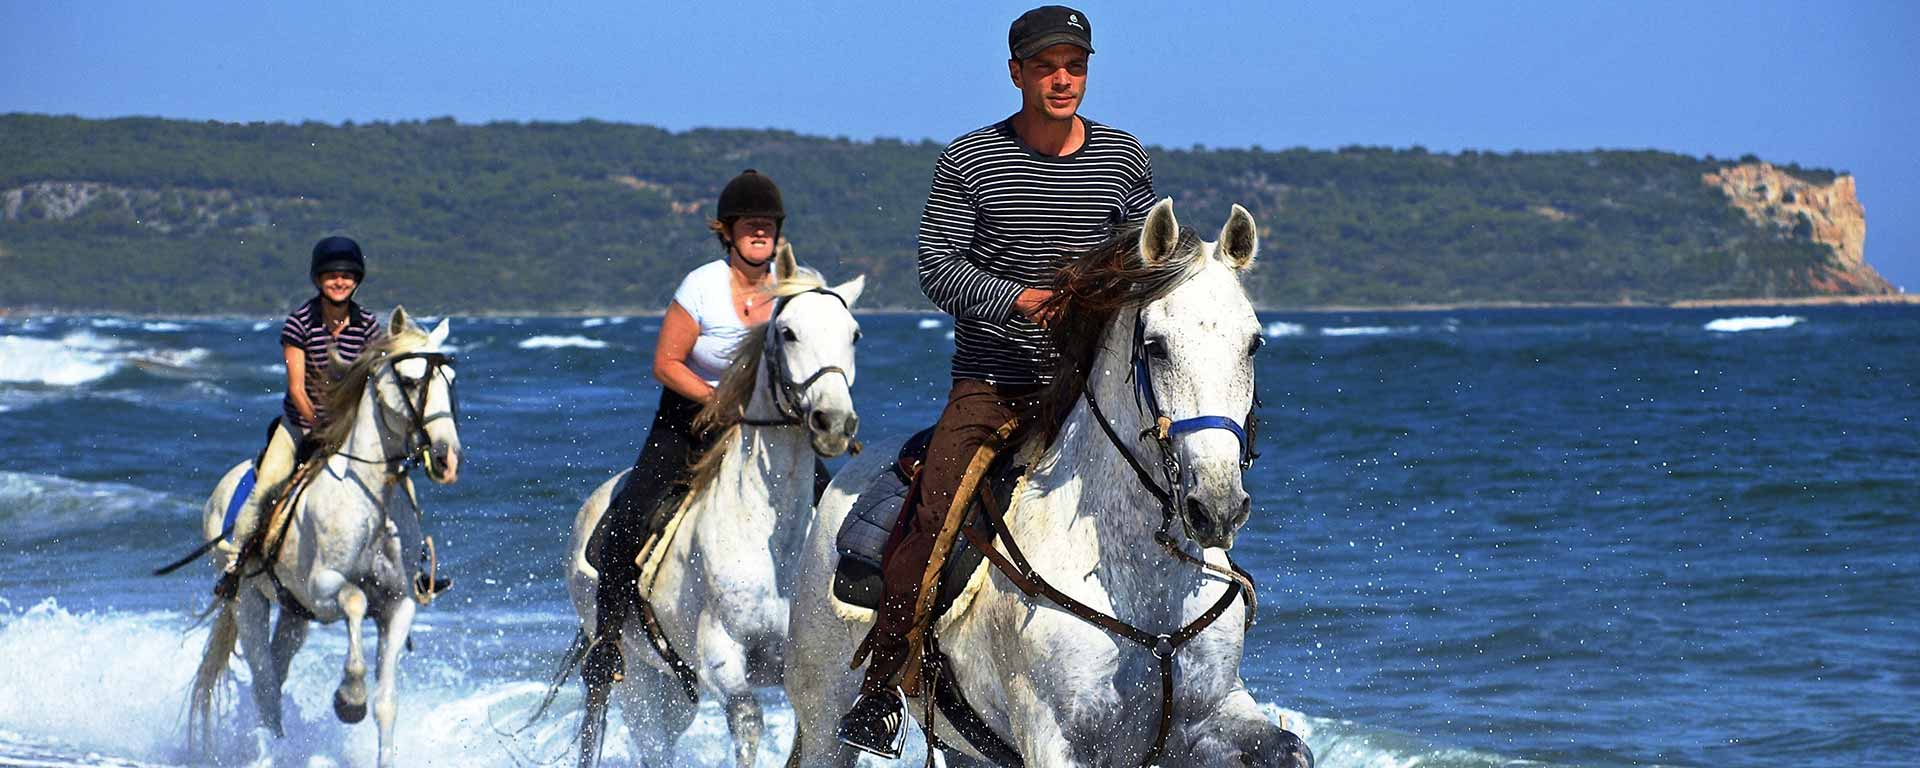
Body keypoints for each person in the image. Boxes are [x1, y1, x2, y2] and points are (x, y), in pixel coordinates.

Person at [835, 5, 1157, 756]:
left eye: (1074, 65)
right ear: (1016, 72)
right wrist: (1019, 299)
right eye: (1046, 66)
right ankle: (884, 688)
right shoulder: (970, 161)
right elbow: (937, 269)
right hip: (994, 383)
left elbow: (1145, 258)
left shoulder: (1122, 159)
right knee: (932, 516)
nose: (1062, 79)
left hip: (1092, 391)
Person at [581, 169, 791, 686]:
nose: (759, 233)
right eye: (748, 225)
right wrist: (722, 403)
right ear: (728, 233)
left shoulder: (793, 284)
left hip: (770, 430)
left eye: (767, 225)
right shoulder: (701, 286)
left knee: (833, 509)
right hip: (692, 422)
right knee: (631, 512)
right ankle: (608, 640)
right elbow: (667, 363)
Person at [216, 236, 450, 601]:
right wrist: (318, 428)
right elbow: (296, 388)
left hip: (353, 430)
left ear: (357, 279)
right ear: (317, 279)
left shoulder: (368, 326)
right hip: (300, 426)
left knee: (403, 488)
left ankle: (416, 570)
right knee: (266, 486)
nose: (339, 281)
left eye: (347, 275)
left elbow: (380, 381)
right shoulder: (300, 324)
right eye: (330, 275)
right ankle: (238, 562)